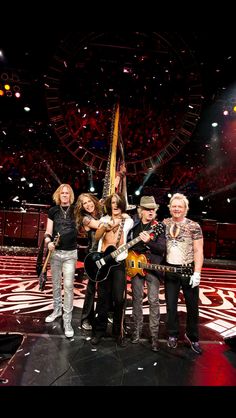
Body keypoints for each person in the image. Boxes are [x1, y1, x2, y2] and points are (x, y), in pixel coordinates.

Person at [90, 192, 134, 347]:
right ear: (109, 205)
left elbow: (129, 223)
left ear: (122, 205)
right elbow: (97, 237)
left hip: (119, 264)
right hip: (104, 262)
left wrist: (122, 218)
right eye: (112, 203)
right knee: (102, 298)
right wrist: (105, 226)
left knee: (119, 299)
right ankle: (99, 331)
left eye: (117, 203)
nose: (115, 205)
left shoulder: (127, 221)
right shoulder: (103, 219)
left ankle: (118, 332)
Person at [164, 193, 204, 354]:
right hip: (170, 271)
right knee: (171, 306)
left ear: (185, 208)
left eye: (180, 206)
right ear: (170, 208)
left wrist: (197, 273)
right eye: (174, 206)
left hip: (188, 270)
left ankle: (192, 337)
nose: (176, 209)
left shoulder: (194, 226)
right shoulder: (164, 224)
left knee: (192, 307)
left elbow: (198, 250)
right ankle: (172, 335)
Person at [128, 196, 166, 352]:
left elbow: (162, 248)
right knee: (136, 300)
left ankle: (154, 337)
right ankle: (135, 333)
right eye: (147, 209)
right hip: (136, 267)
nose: (151, 212)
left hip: (152, 268)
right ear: (141, 210)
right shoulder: (134, 224)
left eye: (153, 209)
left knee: (153, 301)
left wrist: (148, 242)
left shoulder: (159, 226)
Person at [44, 184, 78, 338]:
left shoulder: (76, 210)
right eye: (62, 193)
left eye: (67, 193)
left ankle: (67, 319)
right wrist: (48, 241)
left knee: (69, 286)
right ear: (59, 195)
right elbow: (48, 232)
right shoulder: (53, 210)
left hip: (71, 254)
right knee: (56, 284)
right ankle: (57, 310)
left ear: (70, 195)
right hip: (56, 254)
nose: (64, 195)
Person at [74, 193, 103, 331]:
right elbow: (100, 226)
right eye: (84, 203)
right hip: (93, 256)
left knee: (105, 289)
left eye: (89, 201)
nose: (88, 205)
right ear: (82, 207)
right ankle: (85, 319)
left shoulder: (102, 212)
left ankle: (103, 315)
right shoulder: (85, 219)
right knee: (91, 288)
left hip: (106, 254)